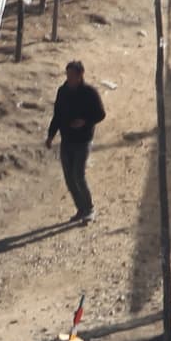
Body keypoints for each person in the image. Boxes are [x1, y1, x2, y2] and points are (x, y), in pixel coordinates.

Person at [45, 60, 105, 221]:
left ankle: (89, 208)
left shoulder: (90, 92)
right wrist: (51, 135)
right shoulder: (62, 91)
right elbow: (57, 115)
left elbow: (100, 114)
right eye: (68, 74)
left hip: (83, 140)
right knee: (69, 178)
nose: (69, 78)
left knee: (78, 175)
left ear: (80, 76)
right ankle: (80, 209)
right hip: (66, 140)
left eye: (72, 75)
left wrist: (84, 121)